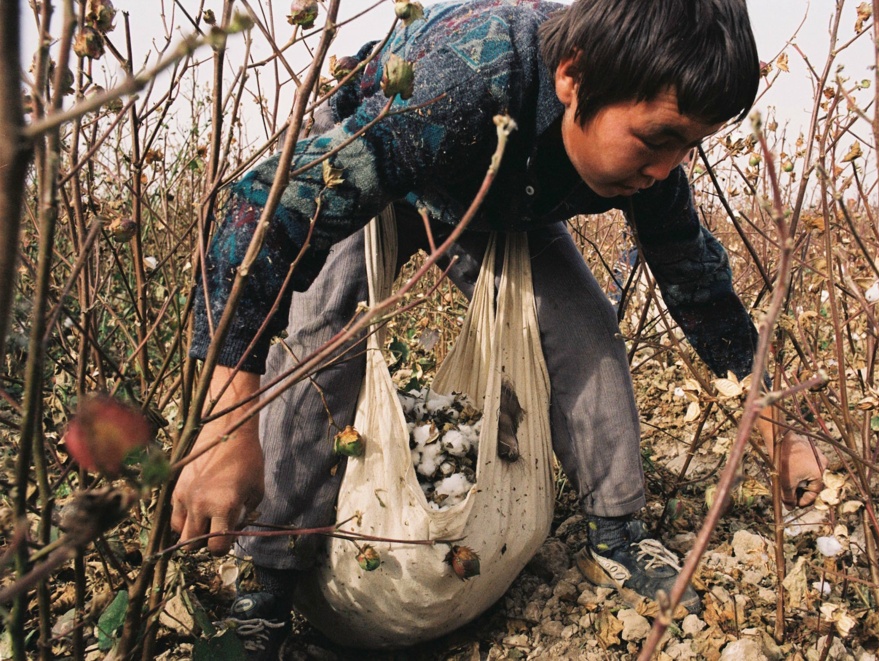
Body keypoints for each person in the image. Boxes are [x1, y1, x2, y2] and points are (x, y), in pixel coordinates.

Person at [172, 0, 829, 656]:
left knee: (585, 329)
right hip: (375, 155)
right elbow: (262, 214)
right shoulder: (460, 85)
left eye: (691, 144)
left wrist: (778, 435)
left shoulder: (654, 157)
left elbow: (701, 291)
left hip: (491, 195)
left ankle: (620, 535)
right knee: (321, 337)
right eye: (659, 139)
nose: (668, 167)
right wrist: (223, 429)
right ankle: (269, 581)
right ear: (574, 78)